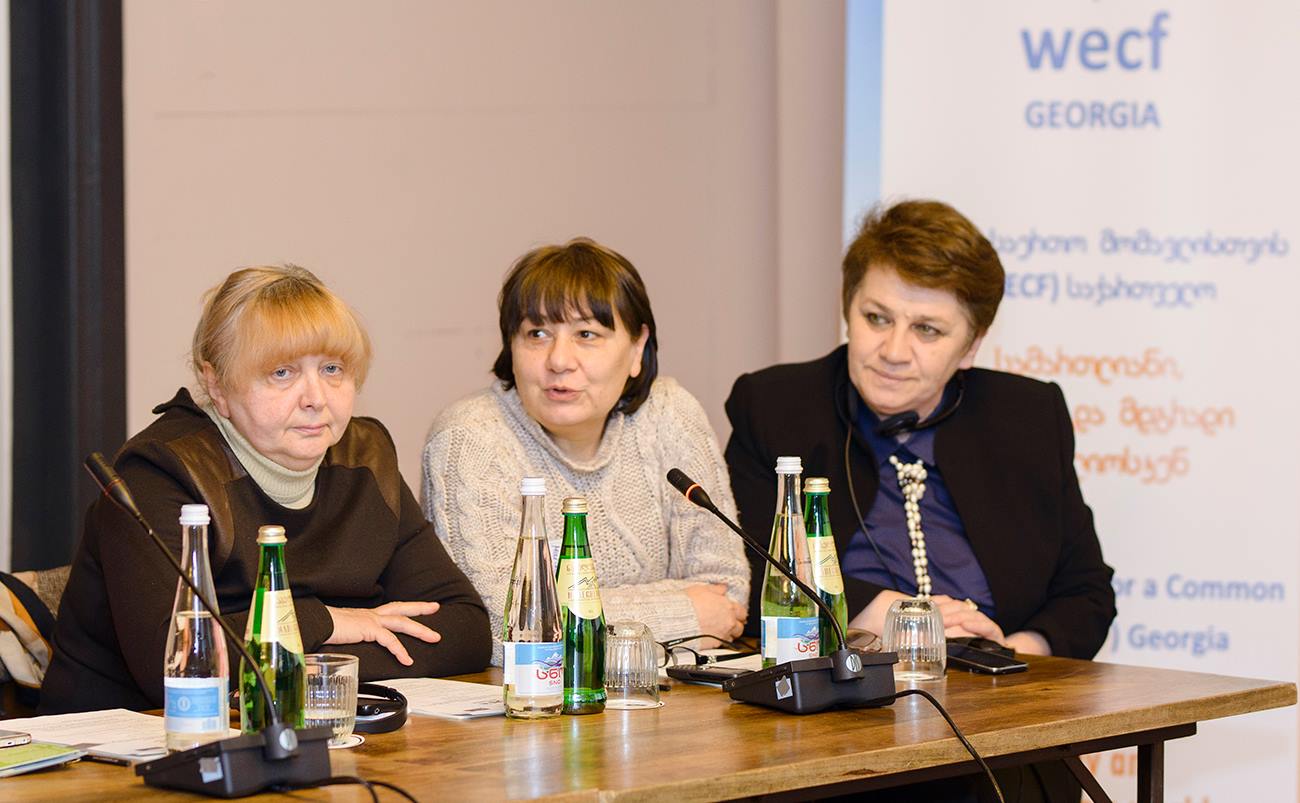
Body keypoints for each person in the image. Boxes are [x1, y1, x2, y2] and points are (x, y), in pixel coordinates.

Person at [724, 201, 1116, 800]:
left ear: (971, 345)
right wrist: (884, 613)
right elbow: (748, 567)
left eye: (927, 330)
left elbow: (1086, 593)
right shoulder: (777, 406)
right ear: (847, 310)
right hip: (840, 727)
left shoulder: (1029, 417)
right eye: (876, 318)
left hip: (999, 725)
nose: (893, 350)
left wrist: (1006, 655)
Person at [41, 265, 491, 714]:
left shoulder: (366, 458)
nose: (315, 398)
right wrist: (327, 621)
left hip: (310, 727)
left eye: (332, 368)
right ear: (217, 385)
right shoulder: (161, 471)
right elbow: (176, 664)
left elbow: (464, 630)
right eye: (282, 372)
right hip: (127, 739)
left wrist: (296, 668)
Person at [422, 238, 749, 664]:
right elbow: (498, 628)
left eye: (587, 334)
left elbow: (728, 596)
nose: (559, 360)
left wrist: (561, 610)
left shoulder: (670, 414)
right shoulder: (469, 439)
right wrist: (684, 612)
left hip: (667, 696)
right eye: (537, 334)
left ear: (637, 348)